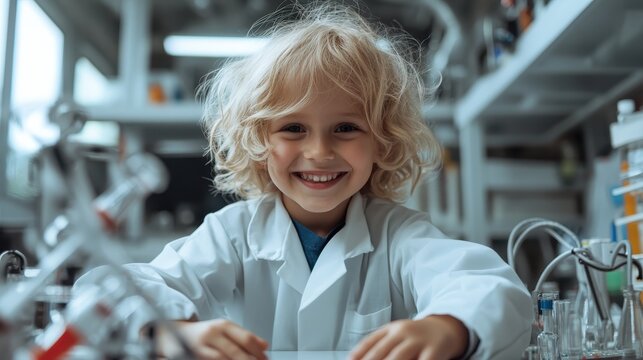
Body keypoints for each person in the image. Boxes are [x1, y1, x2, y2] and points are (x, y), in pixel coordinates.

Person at [78, 3, 533, 360]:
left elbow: (492, 290)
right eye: (292, 129)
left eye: (346, 128)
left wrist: (447, 327)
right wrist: (169, 332)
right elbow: (107, 288)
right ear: (258, 140)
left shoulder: (399, 235)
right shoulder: (232, 234)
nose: (319, 152)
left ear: (382, 142)